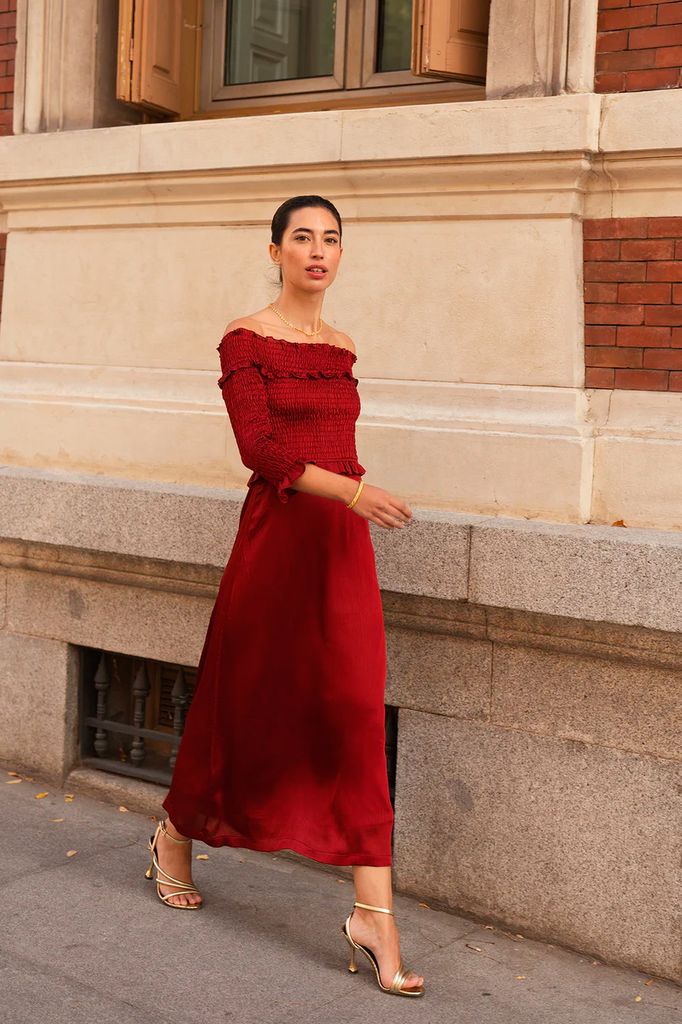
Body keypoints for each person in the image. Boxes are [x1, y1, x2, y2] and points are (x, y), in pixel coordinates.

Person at [144, 195, 425, 997]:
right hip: (277, 541)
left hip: (339, 549)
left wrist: (352, 503)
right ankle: (175, 831)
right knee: (245, 704)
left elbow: (339, 445)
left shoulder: (341, 347)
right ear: (274, 251)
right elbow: (259, 449)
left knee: (353, 711)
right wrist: (352, 493)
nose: (318, 251)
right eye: (302, 237)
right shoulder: (245, 339)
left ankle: (375, 916)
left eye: (331, 240)